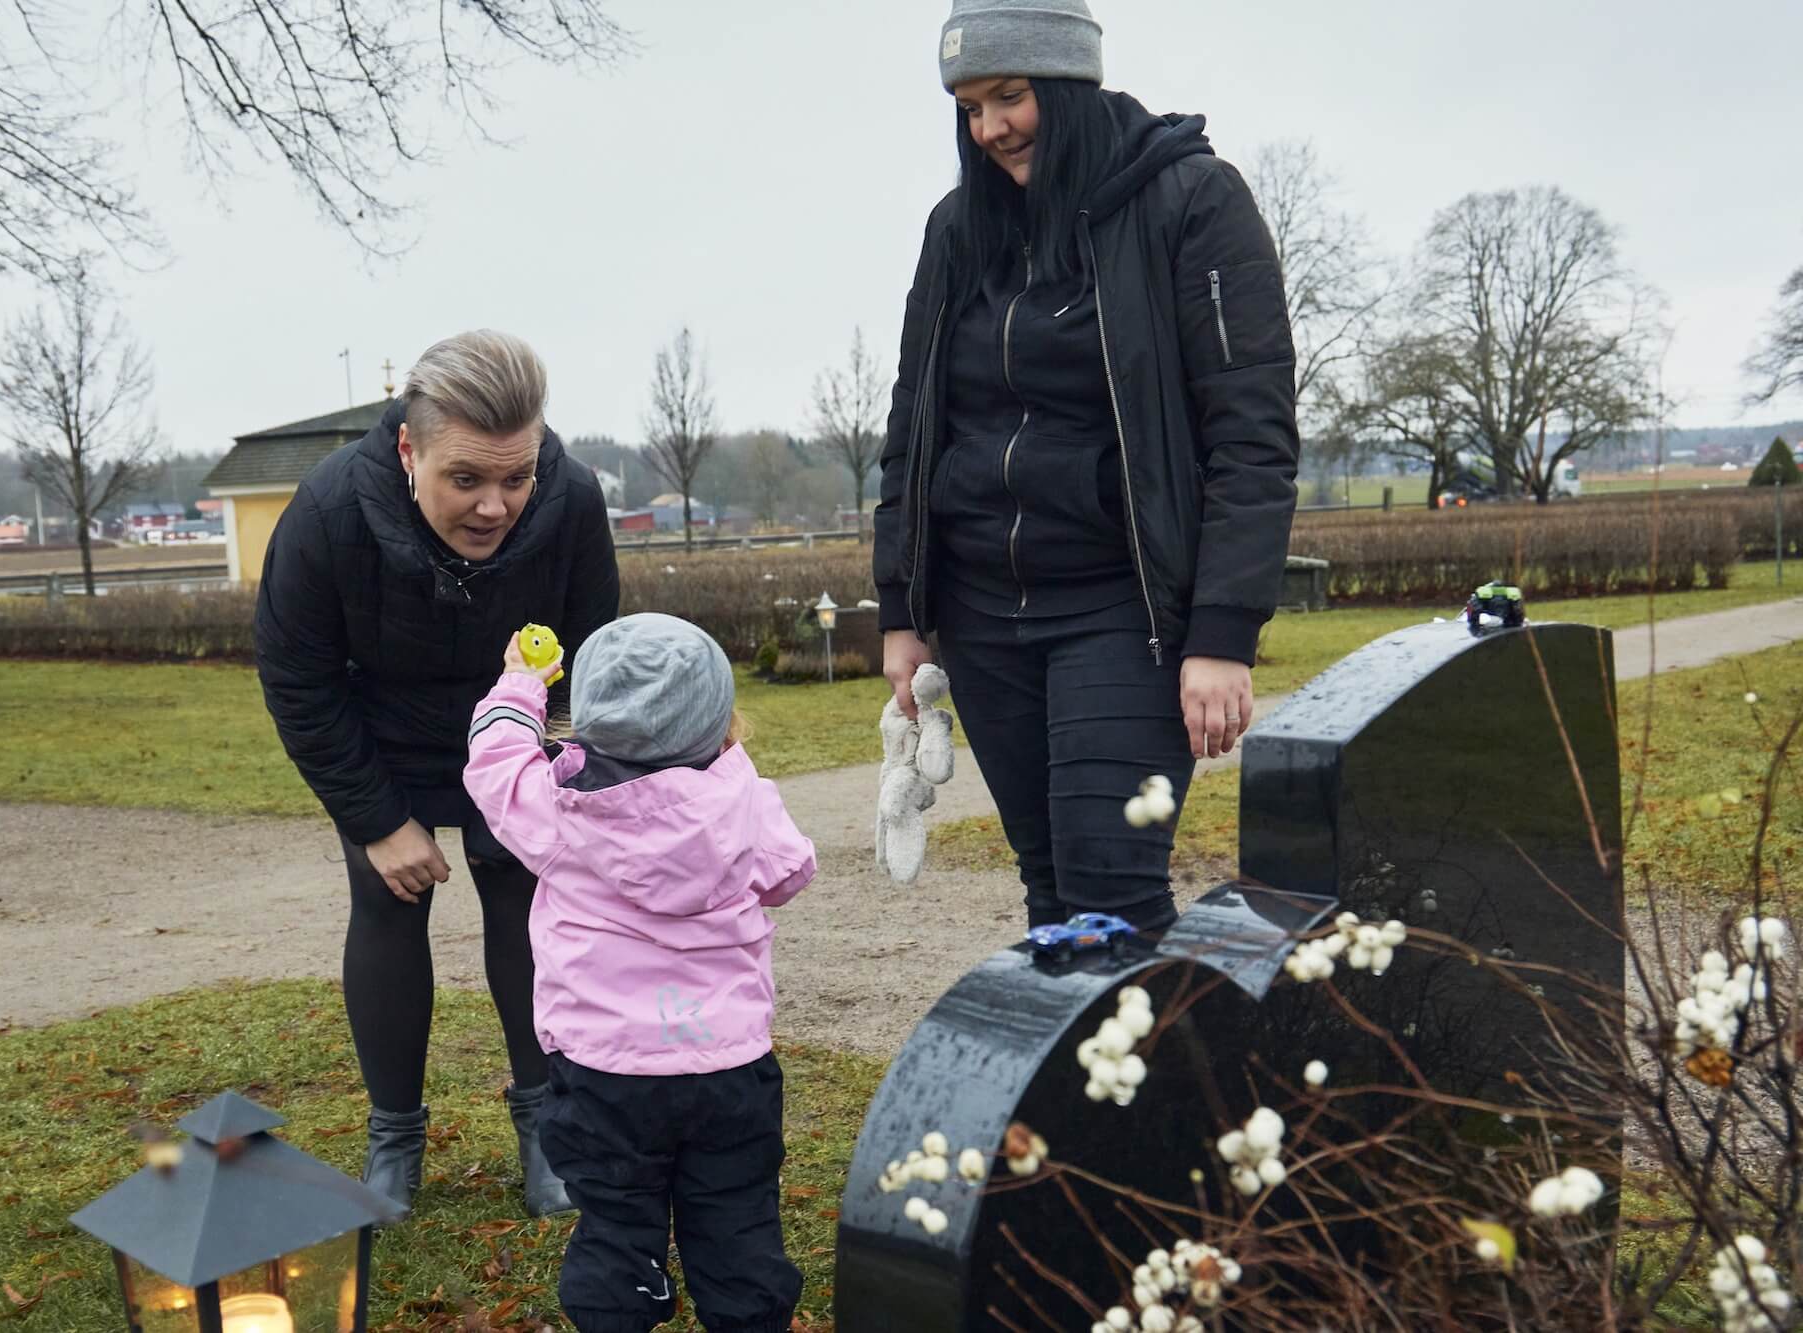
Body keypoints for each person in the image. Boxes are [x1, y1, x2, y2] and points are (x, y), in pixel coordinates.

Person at [874, 0, 1300, 934]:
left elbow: (1250, 435)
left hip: (1125, 606)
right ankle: (1080, 1085)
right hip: (984, 614)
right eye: (968, 106)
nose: (989, 129)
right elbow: (914, 423)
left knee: (1111, 884)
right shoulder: (957, 230)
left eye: (1010, 96)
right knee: (1054, 888)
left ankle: (1156, 1081)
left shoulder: (1192, 201)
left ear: (1070, 82)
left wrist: (1223, 631)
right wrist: (903, 608)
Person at [253, 329, 620, 1216]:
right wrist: (377, 819)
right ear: (410, 449)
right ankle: (395, 1138)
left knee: (526, 899)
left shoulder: (569, 499)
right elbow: (296, 676)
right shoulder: (329, 511)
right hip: (381, 728)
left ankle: (548, 1129)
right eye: (467, 480)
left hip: (517, 721)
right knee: (387, 900)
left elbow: (588, 652)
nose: (496, 506)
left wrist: (551, 777)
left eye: (515, 477)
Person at [462, 613, 813, 1333]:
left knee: (617, 1220)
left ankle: (619, 1307)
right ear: (720, 721)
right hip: (728, 1067)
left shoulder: (560, 811)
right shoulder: (743, 803)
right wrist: (733, 770)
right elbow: (789, 873)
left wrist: (522, 681)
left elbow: (494, 761)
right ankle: (747, 1314)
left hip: (604, 1073)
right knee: (737, 1217)